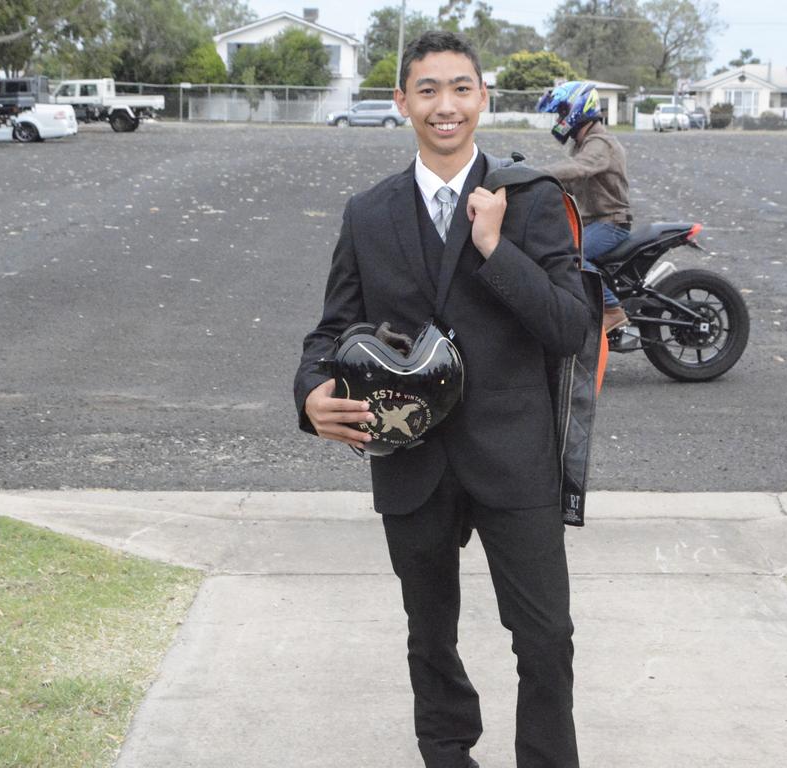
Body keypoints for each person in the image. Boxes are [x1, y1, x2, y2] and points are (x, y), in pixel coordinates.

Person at [293, 30, 588, 768]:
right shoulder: (368, 213)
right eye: (427, 90)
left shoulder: (532, 199)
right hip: (409, 458)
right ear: (401, 103)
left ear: (483, 98)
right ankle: (447, 752)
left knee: (546, 636)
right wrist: (309, 398)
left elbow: (569, 327)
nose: (445, 104)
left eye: (461, 88)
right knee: (430, 633)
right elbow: (331, 331)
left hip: (513, 456)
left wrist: (497, 249)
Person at [538, 81, 633, 333]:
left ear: (578, 109)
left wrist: (535, 175)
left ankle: (612, 309)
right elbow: (571, 182)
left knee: (571, 253)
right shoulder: (582, 143)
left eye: (561, 112)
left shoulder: (601, 143)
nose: (559, 119)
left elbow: (578, 169)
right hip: (595, 221)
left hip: (611, 223)